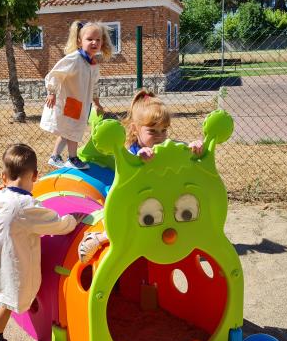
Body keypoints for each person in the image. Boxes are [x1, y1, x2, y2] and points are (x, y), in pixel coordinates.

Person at [0, 143, 81, 341]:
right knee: (10, 296)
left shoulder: (0, 193)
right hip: (5, 254)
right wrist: (73, 220)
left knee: (4, 289)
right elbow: (57, 225)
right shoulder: (26, 205)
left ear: (3, 177)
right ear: (34, 176)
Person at [77, 89, 204, 263]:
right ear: (135, 129)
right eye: (152, 131)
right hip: (136, 204)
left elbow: (183, 152)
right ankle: (98, 238)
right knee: (123, 227)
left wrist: (194, 148)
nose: (160, 137)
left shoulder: (168, 147)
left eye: (164, 130)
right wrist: (139, 159)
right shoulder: (132, 152)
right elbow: (128, 176)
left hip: (162, 203)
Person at [40, 20, 113, 170]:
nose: (94, 42)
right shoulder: (75, 59)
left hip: (81, 104)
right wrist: (51, 92)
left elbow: (94, 86)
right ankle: (72, 158)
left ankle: (55, 156)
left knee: (69, 131)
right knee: (73, 131)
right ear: (80, 41)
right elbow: (55, 73)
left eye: (98, 40)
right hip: (71, 102)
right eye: (89, 39)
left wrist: (97, 103)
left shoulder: (92, 64)